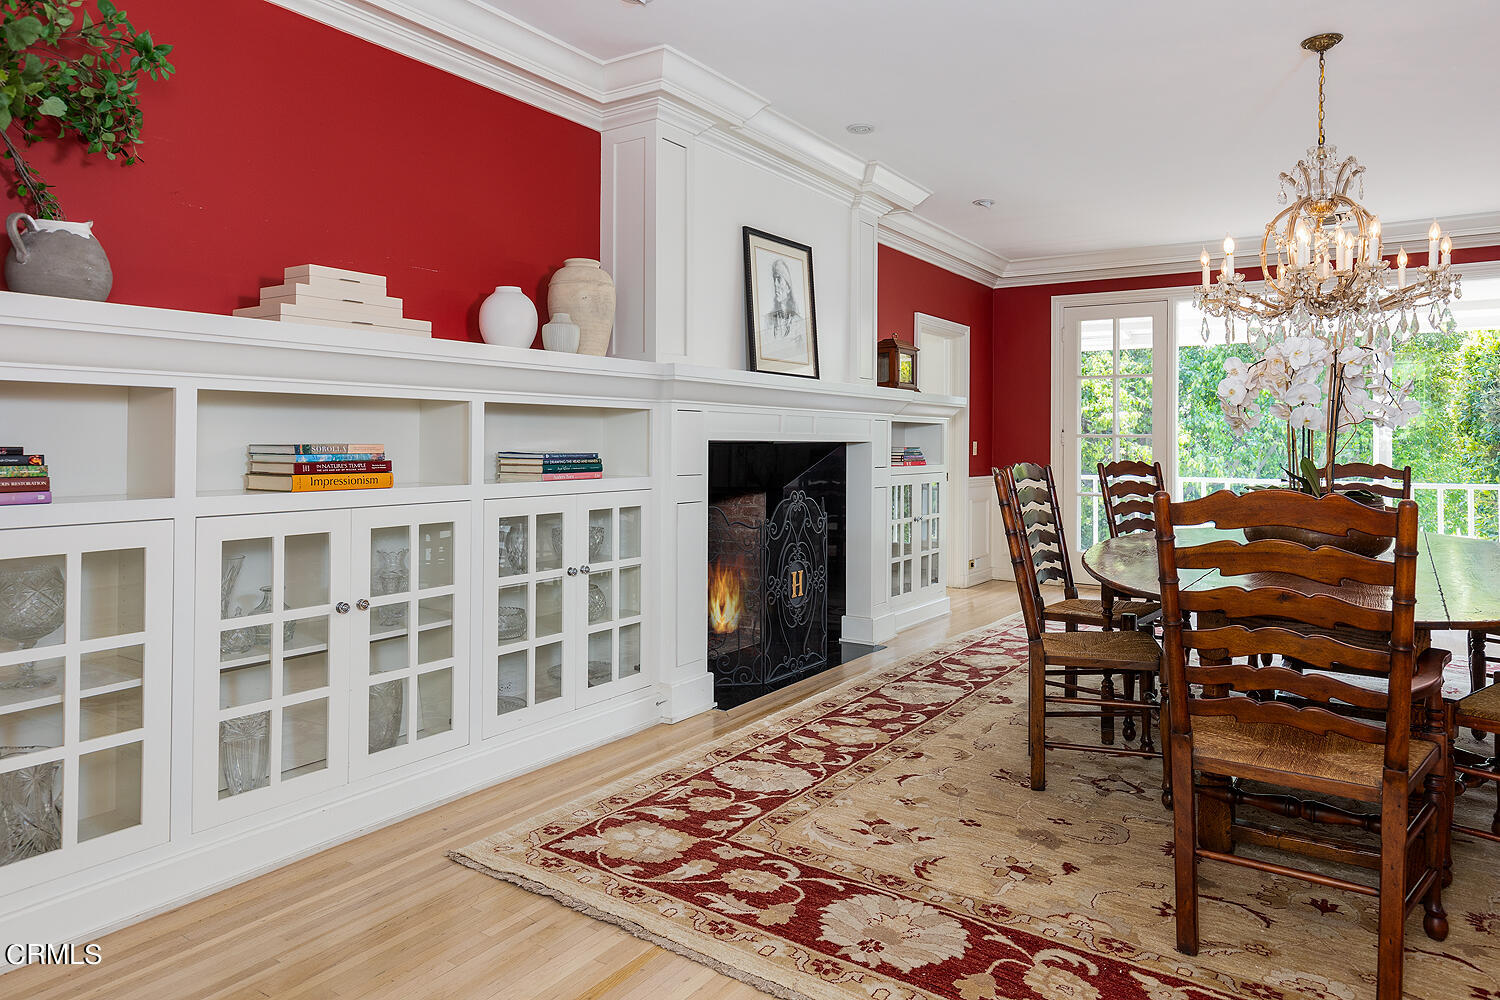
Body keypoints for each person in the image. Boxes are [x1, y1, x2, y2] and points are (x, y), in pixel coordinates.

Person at [761, 257, 807, 362]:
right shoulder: (768, 320)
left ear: (788, 287)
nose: (775, 285)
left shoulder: (799, 323)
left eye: (779, 279)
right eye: (774, 279)